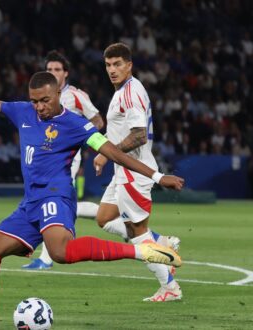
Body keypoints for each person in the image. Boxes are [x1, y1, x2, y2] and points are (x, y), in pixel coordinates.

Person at [0, 61, 184, 330]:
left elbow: (113, 153)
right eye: (35, 101)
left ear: (58, 94)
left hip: (56, 197)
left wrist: (157, 176)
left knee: (59, 251)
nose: (39, 107)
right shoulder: (22, 112)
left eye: (45, 100)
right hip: (30, 202)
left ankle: (141, 250)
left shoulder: (76, 125)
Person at [94, 43, 182, 302]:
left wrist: (109, 150)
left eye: (118, 64)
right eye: (108, 65)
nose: (112, 69)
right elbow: (122, 130)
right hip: (123, 169)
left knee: (137, 233)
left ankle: (169, 287)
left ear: (129, 65)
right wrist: (106, 152)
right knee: (104, 218)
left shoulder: (130, 93)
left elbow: (139, 135)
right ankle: (161, 242)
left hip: (135, 172)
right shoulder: (124, 91)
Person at [23, 50, 104, 270]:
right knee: (66, 205)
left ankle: (46, 258)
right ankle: (119, 222)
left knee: (52, 197)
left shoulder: (76, 95)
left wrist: (80, 138)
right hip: (46, 154)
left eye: (57, 69)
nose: (53, 72)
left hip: (67, 155)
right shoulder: (42, 96)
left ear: (65, 73)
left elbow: (97, 119)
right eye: (49, 69)